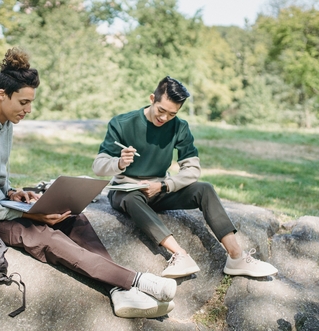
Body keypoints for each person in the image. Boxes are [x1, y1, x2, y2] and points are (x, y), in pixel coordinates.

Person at [0, 48, 178, 319]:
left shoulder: (4, 123)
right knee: (44, 235)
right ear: (2, 95)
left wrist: (12, 192)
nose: (28, 110)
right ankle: (136, 281)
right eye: (23, 102)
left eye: (31, 102)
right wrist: (30, 214)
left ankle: (118, 290)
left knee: (72, 217)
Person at [92, 76, 278, 279]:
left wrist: (164, 185)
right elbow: (98, 166)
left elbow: (192, 169)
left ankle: (236, 257)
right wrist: (118, 163)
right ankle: (180, 255)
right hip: (127, 191)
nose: (164, 118)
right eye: (161, 110)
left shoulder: (179, 127)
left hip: (160, 189)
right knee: (131, 198)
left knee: (204, 188)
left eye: (172, 114)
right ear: (152, 98)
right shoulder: (122, 123)